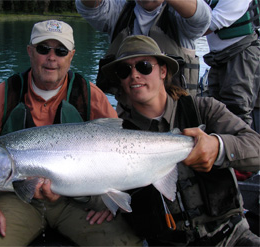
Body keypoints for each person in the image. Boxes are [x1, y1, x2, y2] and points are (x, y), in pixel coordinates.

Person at [0, 20, 141, 247]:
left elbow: (121, 151)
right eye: (43, 49)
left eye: (61, 50)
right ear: (30, 51)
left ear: (71, 56)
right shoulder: (0, 95)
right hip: (15, 200)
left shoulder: (90, 95)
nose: (51, 57)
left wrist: (108, 197)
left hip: (78, 202)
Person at [101, 35, 260, 246]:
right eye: (125, 70)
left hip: (233, 237)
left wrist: (219, 147)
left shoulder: (205, 110)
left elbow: (256, 148)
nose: (134, 75)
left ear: (163, 71)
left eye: (144, 66)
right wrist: (97, 200)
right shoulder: (113, 135)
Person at [76, 0, 211, 102]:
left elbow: (202, 17)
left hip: (178, 110)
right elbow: (88, 8)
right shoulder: (119, 10)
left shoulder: (181, 14)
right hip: (129, 114)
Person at [203, 0, 260, 134]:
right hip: (219, 57)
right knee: (216, 109)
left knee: (237, 108)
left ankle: (244, 150)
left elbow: (215, 21)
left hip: (240, 53)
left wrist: (186, 30)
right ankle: (222, 148)